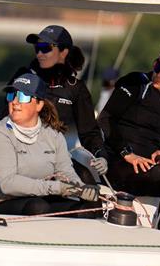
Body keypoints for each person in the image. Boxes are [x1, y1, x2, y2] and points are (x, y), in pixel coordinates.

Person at [98, 46, 160, 235]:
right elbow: (105, 119)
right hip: (119, 163)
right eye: (157, 66)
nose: (159, 74)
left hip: (148, 167)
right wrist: (128, 154)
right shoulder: (135, 82)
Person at [0, 73, 101, 217]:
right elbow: (8, 184)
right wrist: (57, 188)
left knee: (86, 210)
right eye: (11, 95)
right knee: (38, 207)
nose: (15, 102)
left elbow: (65, 171)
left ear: (39, 104)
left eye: (23, 96)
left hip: (41, 198)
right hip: (0, 203)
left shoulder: (53, 135)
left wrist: (79, 187)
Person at [10, 25, 108, 183]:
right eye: (37, 48)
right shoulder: (24, 77)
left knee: (86, 179)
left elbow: (89, 132)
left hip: (54, 157)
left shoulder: (76, 88)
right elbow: (5, 120)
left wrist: (101, 156)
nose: (39, 53)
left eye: (45, 48)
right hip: (20, 155)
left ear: (64, 52)